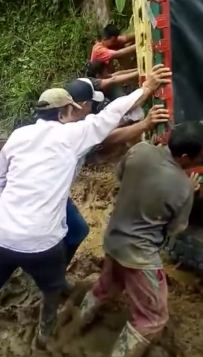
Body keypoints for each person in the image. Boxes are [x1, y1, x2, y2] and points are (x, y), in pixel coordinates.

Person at [0, 64, 170, 348]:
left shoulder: (18, 135)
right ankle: (45, 334)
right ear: (66, 112)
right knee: (51, 287)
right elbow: (112, 114)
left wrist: (6, 208)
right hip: (40, 242)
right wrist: (146, 89)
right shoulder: (72, 136)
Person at [60, 121, 203, 357]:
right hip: (139, 258)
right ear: (184, 157)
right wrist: (188, 192)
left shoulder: (140, 149)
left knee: (105, 288)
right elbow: (175, 230)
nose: (200, 161)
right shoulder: (182, 187)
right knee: (153, 318)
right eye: (200, 157)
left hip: (113, 240)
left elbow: (120, 175)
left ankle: (70, 330)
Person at [60, 75, 170, 292]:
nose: (93, 109)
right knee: (54, 234)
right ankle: (49, 276)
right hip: (48, 196)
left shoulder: (62, 121)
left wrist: (135, 120)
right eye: (91, 105)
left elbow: (103, 131)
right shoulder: (73, 132)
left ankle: (50, 271)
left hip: (51, 193)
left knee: (76, 229)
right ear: (82, 106)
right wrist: (146, 99)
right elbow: (106, 133)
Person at [90, 24, 137, 101]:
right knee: (122, 99)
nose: (115, 42)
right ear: (105, 39)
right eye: (113, 41)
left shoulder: (109, 42)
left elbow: (125, 38)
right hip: (103, 87)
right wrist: (140, 44)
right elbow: (120, 53)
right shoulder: (99, 50)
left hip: (109, 76)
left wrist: (139, 34)